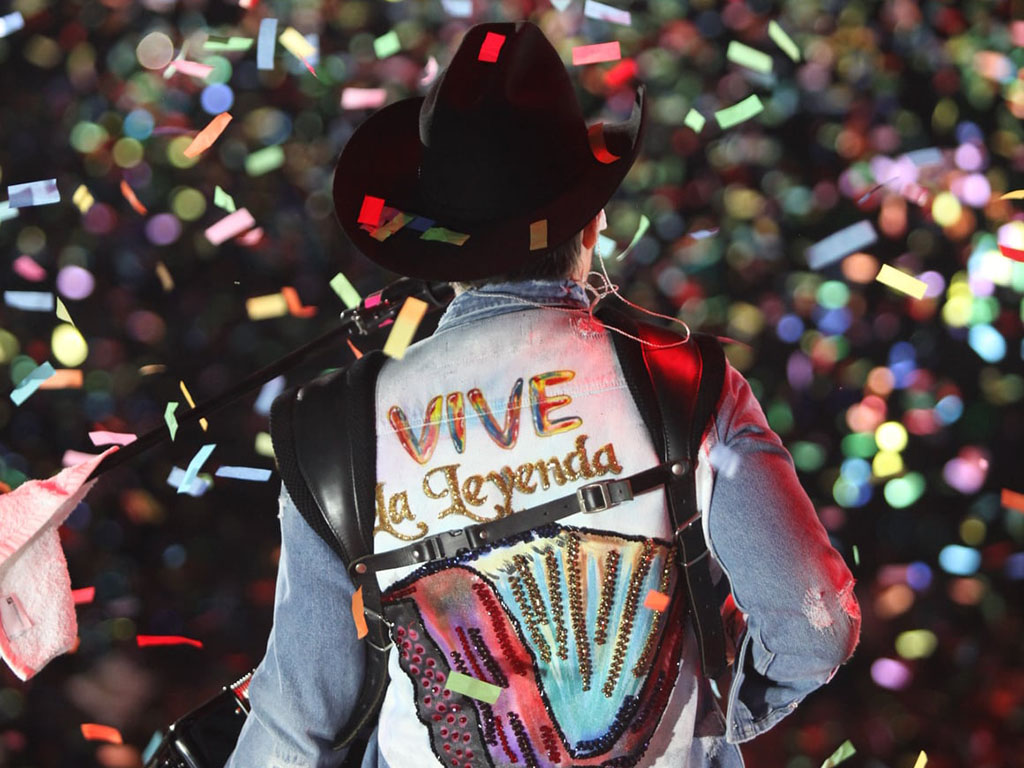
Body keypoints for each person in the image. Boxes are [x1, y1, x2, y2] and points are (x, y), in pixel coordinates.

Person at [226, 21, 860, 768]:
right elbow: (815, 626)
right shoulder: (686, 382)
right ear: (592, 225)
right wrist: (712, 710)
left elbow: (295, 722)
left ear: (438, 249)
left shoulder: (333, 431)